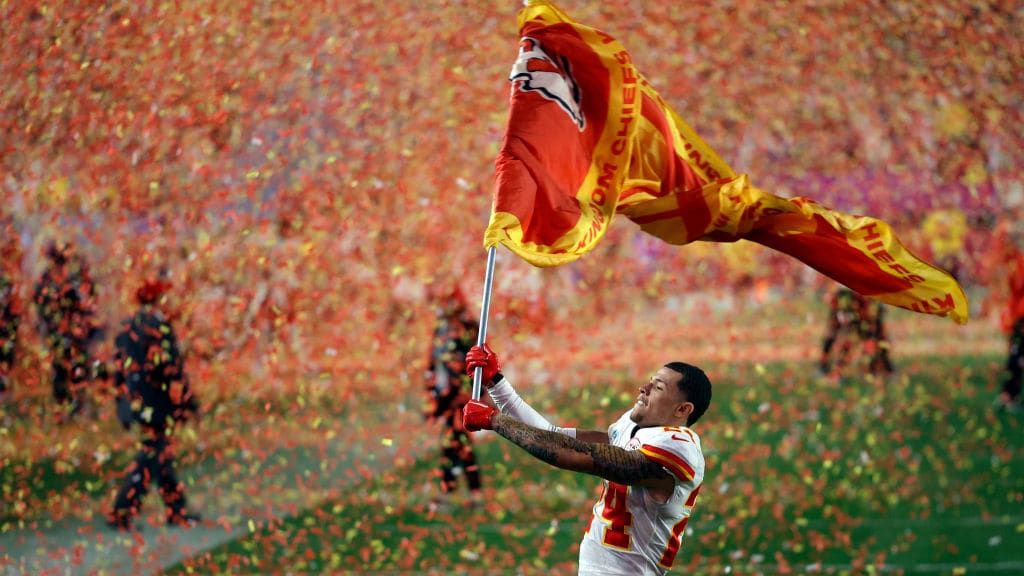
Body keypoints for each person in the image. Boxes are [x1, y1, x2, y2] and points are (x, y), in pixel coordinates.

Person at [462, 344, 711, 576]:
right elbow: (555, 436)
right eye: (650, 382)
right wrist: (495, 382)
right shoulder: (633, 428)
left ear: (682, 410)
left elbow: (575, 455)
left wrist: (495, 420)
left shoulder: (680, 447)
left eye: (657, 387)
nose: (643, 389)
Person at [108, 279, 200, 530]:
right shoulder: (159, 327)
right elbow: (171, 370)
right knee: (153, 457)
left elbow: (119, 370)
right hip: (157, 403)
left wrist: (122, 403)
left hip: (136, 402)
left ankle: (176, 509)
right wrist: (187, 401)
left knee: (160, 455)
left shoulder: (127, 328)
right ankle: (122, 511)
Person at [423, 285, 483, 509]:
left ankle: (454, 492)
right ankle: (468, 492)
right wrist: (432, 394)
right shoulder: (441, 327)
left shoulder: (469, 327)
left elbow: (477, 362)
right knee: (456, 442)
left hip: (461, 397)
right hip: (446, 396)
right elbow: (433, 362)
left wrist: (472, 393)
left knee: (456, 442)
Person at [32, 241, 101, 417]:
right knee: (61, 368)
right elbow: (41, 305)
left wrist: (83, 318)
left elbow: (89, 302)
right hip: (58, 332)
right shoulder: (47, 279)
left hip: (77, 332)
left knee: (79, 367)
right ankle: (64, 405)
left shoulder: (77, 278)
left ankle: (78, 407)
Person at [818, 286, 894, 377]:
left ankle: (883, 367)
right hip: (851, 308)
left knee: (877, 339)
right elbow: (834, 326)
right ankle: (827, 366)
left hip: (865, 316)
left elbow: (872, 319)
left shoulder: (866, 303)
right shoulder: (840, 299)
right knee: (834, 337)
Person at [989, 215, 1024, 411]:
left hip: (1016, 314)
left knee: (1016, 356)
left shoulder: (1013, 260)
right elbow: (1006, 290)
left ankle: (1008, 395)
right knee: (1016, 356)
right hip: (1019, 315)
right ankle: (1009, 395)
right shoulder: (1009, 262)